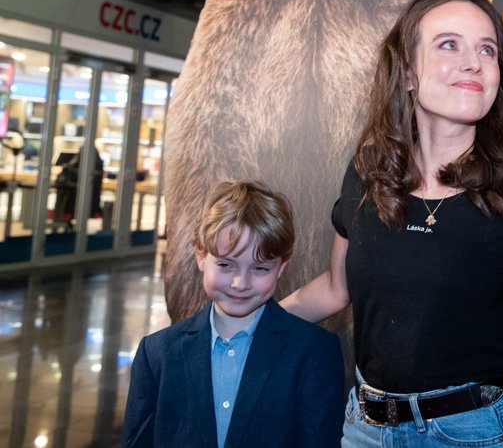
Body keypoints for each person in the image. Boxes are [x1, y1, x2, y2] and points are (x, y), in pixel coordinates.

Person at [282, 0, 503, 447]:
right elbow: (337, 288)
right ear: (408, 74)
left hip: (474, 432)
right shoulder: (368, 172)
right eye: (449, 44)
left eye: (488, 49)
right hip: (364, 430)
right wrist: (256, 321)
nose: (474, 62)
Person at [123, 180, 345, 448]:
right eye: (226, 265)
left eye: (260, 268)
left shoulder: (314, 352)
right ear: (201, 256)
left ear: (281, 267)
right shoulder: (157, 354)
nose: (241, 283)